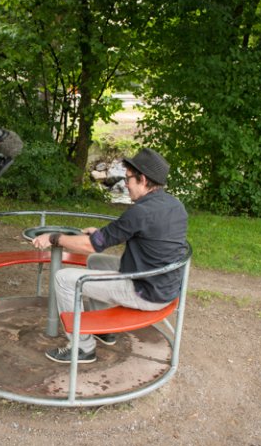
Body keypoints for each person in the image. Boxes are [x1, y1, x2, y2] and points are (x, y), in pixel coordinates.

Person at [32, 148, 188, 363]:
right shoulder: (174, 205)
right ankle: (104, 330)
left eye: (128, 178)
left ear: (142, 179)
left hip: (145, 290)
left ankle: (82, 348)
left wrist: (54, 238)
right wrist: (99, 234)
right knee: (96, 262)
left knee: (64, 279)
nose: (125, 184)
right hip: (164, 283)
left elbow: (90, 246)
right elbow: (125, 235)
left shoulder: (140, 211)